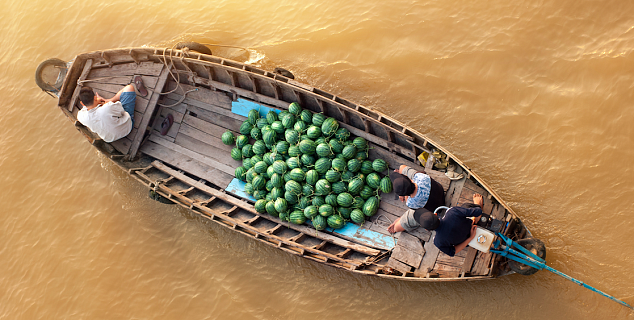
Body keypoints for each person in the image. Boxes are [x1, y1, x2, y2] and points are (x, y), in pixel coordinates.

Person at [415, 194, 484, 257]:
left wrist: (470, 238)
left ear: (427, 229)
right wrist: (473, 219)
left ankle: (474, 219)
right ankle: (477, 211)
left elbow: (453, 252)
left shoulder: (438, 242)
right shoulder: (452, 212)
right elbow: (478, 211)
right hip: (472, 227)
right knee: (466, 206)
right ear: (436, 214)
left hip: (467, 242)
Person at [386, 164, 446, 233]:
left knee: (397, 227)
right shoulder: (420, 176)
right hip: (440, 191)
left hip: (432, 212)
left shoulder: (410, 203)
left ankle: (399, 222)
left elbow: (414, 207)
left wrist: (404, 194)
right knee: (402, 168)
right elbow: (414, 176)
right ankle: (402, 179)